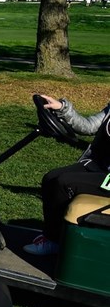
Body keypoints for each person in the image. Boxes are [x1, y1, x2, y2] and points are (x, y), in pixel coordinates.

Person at [24, 95, 110, 256]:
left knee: (65, 183)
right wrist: (62, 108)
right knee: (51, 178)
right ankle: (53, 236)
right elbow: (88, 126)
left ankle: (56, 241)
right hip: (100, 166)